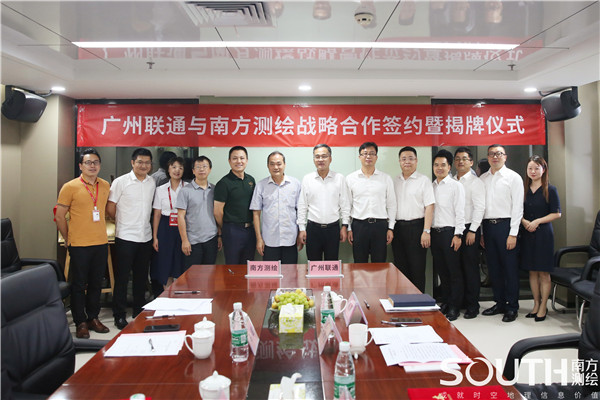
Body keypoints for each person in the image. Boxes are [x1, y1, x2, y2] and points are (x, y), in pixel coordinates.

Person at [55, 148, 111, 339]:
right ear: (80, 166)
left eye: (96, 162)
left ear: (100, 165)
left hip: (100, 242)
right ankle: (80, 321)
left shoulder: (105, 185)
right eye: (88, 162)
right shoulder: (70, 187)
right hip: (79, 244)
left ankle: (93, 317)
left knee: (96, 283)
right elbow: (60, 216)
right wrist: (68, 238)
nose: (92, 166)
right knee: (79, 284)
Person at [107, 148, 155, 330]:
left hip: (145, 236)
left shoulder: (152, 182)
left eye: (147, 162)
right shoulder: (120, 182)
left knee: (141, 277)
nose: (144, 165)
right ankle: (119, 314)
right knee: (122, 277)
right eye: (140, 162)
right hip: (126, 236)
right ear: (132, 163)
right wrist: (121, 222)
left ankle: (138, 310)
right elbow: (110, 207)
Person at [480, 144, 524, 323]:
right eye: (491, 154)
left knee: (510, 269)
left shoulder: (513, 177)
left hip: (506, 227)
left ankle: (512, 307)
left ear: (505, 157)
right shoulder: (483, 179)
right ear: (488, 157)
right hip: (488, 227)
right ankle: (499, 303)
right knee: (494, 268)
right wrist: (481, 232)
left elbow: (518, 207)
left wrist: (513, 233)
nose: (495, 157)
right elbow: (480, 207)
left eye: (499, 154)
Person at [520, 155, 561, 322]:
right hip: (527, 233)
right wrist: (524, 221)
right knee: (532, 271)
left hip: (543, 234)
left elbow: (557, 213)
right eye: (530, 168)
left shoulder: (550, 189)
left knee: (543, 272)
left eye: (537, 168)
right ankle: (536, 304)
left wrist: (537, 221)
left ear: (543, 170)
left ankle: (544, 305)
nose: (533, 171)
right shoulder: (524, 189)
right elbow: (517, 210)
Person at [392, 146, 435, 292]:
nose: (407, 162)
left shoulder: (424, 180)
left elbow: (429, 206)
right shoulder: (395, 181)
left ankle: (418, 302)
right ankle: (403, 301)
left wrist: (426, 231)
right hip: (398, 229)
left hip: (417, 228)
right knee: (400, 269)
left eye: (411, 158)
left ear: (416, 161)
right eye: (403, 159)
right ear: (399, 162)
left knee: (417, 268)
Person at [297, 144, 351, 261]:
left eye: (324, 156)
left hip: (333, 229)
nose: (320, 159)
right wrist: (301, 228)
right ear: (313, 159)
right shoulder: (307, 179)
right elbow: (302, 205)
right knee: (313, 265)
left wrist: (344, 226)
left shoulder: (339, 178)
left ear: (330, 159)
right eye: (317, 157)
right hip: (313, 229)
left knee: (331, 265)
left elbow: (345, 205)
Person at [346, 142, 396, 263]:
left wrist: (391, 228)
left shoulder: (386, 178)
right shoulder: (351, 179)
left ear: (376, 157)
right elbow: (347, 205)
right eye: (365, 153)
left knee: (379, 264)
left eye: (372, 153)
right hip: (359, 226)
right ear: (359, 157)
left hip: (380, 226)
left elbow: (392, 205)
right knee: (359, 264)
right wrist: (349, 228)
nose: (368, 156)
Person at [430, 149, 465, 321]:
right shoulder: (431, 186)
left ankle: (454, 306)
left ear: (449, 167)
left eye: (443, 165)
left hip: (450, 233)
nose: (439, 168)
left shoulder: (455, 186)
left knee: (453, 272)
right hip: (435, 233)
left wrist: (458, 234)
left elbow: (460, 211)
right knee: (441, 271)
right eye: (436, 165)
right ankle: (445, 301)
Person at [250, 151, 301, 263]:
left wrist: (300, 232)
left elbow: (300, 212)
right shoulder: (261, 185)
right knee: (271, 273)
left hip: (290, 239)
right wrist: (259, 239)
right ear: (268, 166)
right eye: (272, 164)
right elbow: (256, 213)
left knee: (290, 272)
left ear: (284, 164)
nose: (276, 167)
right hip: (269, 240)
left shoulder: (295, 184)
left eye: (279, 163)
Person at [454, 147, 486, 319]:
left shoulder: (475, 182)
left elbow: (480, 208)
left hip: (469, 229)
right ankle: (459, 302)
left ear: (471, 162)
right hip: (454, 229)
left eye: (464, 159)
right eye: (458, 159)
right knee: (456, 268)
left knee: (470, 268)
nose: (461, 162)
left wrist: (473, 230)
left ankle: (473, 305)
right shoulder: (451, 181)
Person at [214, 146, 256, 264]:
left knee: (248, 265)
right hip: (232, 230)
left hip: (250, 230)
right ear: (229, 161)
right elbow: (217, 212)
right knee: (233, 266)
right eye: (235, 158)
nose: (239, 161)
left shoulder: (251, 180)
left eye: (242, 158)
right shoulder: (224, 183)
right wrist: (227, 227)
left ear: (246, 160)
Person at [150, 156, 186, 297]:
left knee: (181, 261)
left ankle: (180, 297)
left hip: (183, 226)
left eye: (180, 168)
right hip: (165, 227)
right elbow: (157, 214)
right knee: (165, 262)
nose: (177, 170)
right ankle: (167, 297)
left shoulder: (188, 188)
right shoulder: (160, 189)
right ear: (168, 169)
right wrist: (155, 237)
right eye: (174, 167)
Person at [177, 156, 220, 268]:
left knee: (209, 273)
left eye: (204, 166)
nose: (201, 169)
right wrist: (184, 240)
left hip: (211, 239)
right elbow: (180, 216)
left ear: (210, 169)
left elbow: (218, 213)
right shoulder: (185, 191)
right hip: (192, 241)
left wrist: (219, 236)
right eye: (198, 167)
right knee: (192, 275)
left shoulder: (215, 189)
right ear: (193, 170)